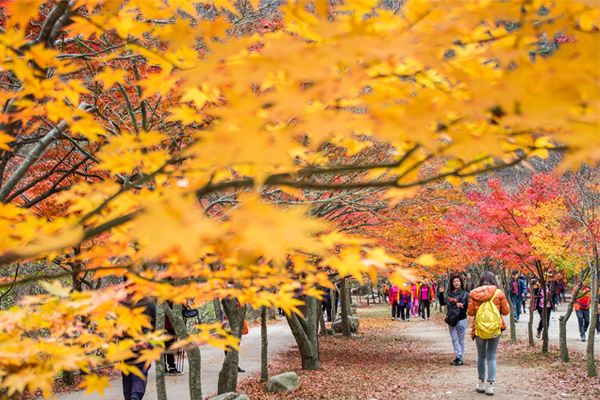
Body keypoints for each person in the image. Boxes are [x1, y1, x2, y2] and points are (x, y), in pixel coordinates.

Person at [467, 271, 510, 396]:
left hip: (480, 328)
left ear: (480, 280)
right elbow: (506, 311)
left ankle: (480, 384)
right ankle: (490, 386)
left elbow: (470, 312)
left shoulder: (474, 293)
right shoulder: (499, 293)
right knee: (491, 356)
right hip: (494, 328)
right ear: (493, 280)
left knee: (481, 356)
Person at [122, 297, 156, 400]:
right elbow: (156, 321)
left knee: (127, 372)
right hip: (144, 341)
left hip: (126, 343)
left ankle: (130, 397)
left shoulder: (122, 300)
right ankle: (135, 396)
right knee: (141, 370)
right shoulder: (148, 300)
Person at [445, 274, 469, 366]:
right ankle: (458, 356)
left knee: (460, 339)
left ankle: (459, 357)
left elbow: (468, 306)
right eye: (454, 281)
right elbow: (443, 303)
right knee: (454, 339)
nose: (456, 283)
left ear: (461, 282)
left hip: (461, 318)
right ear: (452, 283)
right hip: (451, 319)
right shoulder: (449, 294)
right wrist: (440, 293)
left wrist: (462, 305)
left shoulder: (465, 294)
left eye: (458, 281)